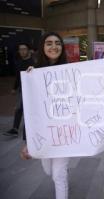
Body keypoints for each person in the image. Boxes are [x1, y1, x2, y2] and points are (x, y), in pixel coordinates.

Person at [20, 32, 70, 199]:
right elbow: (30, 110)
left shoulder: (72, 70)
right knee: (48, 170)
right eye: (49, 43)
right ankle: (63, 171)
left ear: (62, 48)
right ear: (42, 47)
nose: (54, 46)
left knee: (58, 175)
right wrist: (29, 141)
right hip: (44, 133)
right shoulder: (33, 73)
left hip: (65, 132)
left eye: (57, 43)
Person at [3, 42, 34, 137]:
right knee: (19, 108)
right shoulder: (19, 63)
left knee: (30, 110)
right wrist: (14, 88)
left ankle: (29, 130)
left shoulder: (33, 62)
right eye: (21, 49)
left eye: (24, 49)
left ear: (28, 50)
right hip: (22, 89)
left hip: (32, 90)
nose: (22, 51)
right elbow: (18, 77)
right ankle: (15, 129)